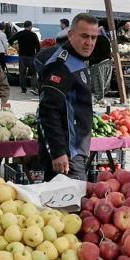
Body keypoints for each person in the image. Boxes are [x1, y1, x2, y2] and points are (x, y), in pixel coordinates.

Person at [35, 13, 98, 181]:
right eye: (84, 36)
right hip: (67, 157)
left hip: (75, 151)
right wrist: (58, 152)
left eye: (93, 37)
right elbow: (47, 110)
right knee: (71, 206)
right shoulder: (61, 66)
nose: (89, 42)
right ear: (71, 35)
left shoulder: (77, 59)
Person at [9, 20, 40, 94]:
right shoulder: (34, 35)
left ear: (24, 26)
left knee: (22, 74)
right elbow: (38, 47)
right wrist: (36, 55)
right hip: (31, 57)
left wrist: (16, 48)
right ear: (30, 26)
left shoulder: (20, 34)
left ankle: (23, 90)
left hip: (22, 57)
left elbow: (10, 40)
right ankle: (33, 88)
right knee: (33, 73)